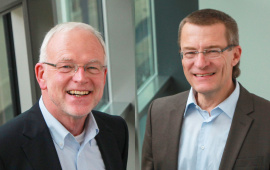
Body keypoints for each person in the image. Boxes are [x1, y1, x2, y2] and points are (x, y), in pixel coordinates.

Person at [142, 9, 270, 170]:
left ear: (236, 55)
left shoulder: (267, 119)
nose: (201, 63)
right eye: (190, 52)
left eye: (212, 51)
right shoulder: (158, 113)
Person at [0, 22, 128, 170]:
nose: (81, 78)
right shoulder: (5, 147)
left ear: (104, 76)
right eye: (66, 66)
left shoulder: (116, 130)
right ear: (41, 75)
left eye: (92, 67)